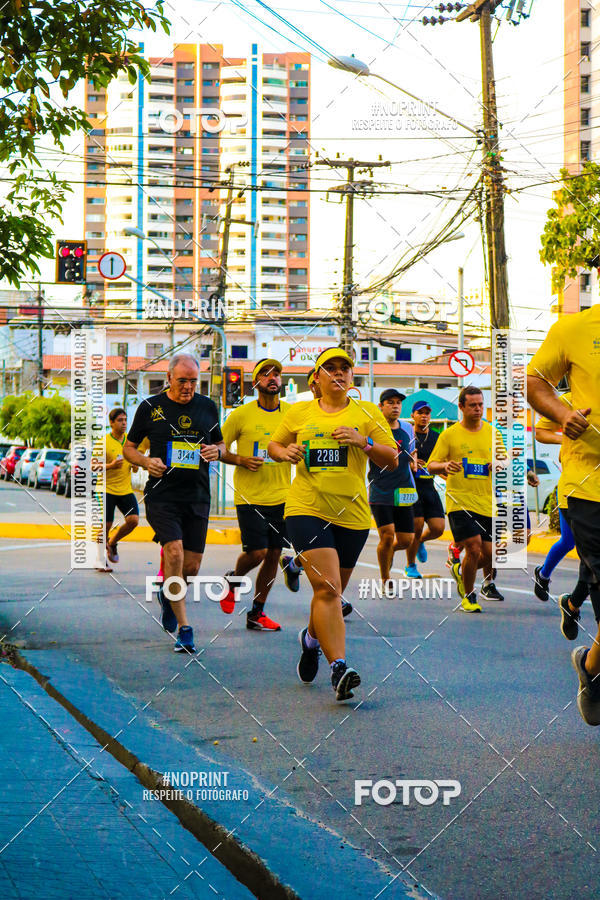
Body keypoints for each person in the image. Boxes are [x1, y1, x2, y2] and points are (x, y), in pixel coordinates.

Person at [268, 347, 397, 701]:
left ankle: (310, 641)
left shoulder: (367, 413)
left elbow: (392, 459)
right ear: (318, 377)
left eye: (345, 368)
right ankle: (339, 666)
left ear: (351, 376)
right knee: (327, 589)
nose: (338, 374)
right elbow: (274, 445)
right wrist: (285, 453)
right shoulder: (300, 412)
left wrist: (364, 442)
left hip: (352, 515)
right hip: (306, 508)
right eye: (331, 368)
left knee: (331, 591)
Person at [527, 308, 600, 726]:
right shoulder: (573, 329)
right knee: (569, 543)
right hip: (588, 485)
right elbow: (535, 381)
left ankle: (589, 665)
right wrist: (563, 416)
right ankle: (559, 589)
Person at [124, 353, 225, 654]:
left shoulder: (208, 407)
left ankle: (170, 595)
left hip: (197, 496)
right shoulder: (150, 408)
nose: (188, 387)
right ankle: (185, 628)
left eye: (194, 381)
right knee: (174, 551)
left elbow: (220, 442)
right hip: (162, 495)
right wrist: (145, 461)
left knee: (191, 567)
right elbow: (129, 448)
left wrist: (217, 451)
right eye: (182, 381)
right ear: (169, 378)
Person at [219, 358, 297, 631]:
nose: (272, 378)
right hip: (249, 496)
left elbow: (302, 444)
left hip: (283, 495)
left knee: (274, 554)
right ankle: (234, 578)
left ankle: (257, 612)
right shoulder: (240, 415)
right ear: (256, 383)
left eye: (276, 373)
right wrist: (241, 460)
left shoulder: (291, 414)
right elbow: (219, 448)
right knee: (257, 553)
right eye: (265, 374)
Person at [427, 385, 505, 612]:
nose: (478, 409)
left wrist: (498, 464)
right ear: (461, 407)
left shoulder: (492, 432)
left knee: (490, 554)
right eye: (473, 405)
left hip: (487, 501)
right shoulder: (449, 434)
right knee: (473, 547)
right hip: (459, 501)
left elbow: (505, 461)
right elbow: (431, 465)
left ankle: (462, 572)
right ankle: (469, 597)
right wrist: (444, 465)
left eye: (481, 405)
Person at [531, 392, 600, 634]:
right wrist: (568, 439)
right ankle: (544, 575)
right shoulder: (571, 398)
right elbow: (539, 432)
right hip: (577, 492)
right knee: (573, 544)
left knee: (592, 560)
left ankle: (571, 604)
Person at [368, 388, 417, 584]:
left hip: (404, 489)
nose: (395, 406)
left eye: (398, 402)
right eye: (390, 402)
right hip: (380, 489)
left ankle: (387, 553)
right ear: (381, 406)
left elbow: (411, 452)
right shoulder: (373, 429)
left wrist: (414, 461)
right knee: (387, 536)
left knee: (406, 540)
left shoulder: (407, 428)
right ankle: (385, 578)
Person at [97, 408, 147, 569]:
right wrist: (110, 466)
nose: (124, 423)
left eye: (125, 420)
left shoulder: (130, 443)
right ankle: (99, 559)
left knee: (133, 521)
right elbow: (93, 466)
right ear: (111, 423)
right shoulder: (103, 442)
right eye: (120, 420)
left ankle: (112, 542)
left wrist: (135, 466)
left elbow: (135, 468)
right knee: (106, 524)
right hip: (105, 489)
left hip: (125, 489)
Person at [405, 400, 446, 575]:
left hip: (429, 486)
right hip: (411, 487)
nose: (424, 416)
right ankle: (410, 565)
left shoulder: (437, 437)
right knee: (417, 525)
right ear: (413, 415)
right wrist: (410, 462)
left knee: (438, 528)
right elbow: (396, 459)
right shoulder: (407, 435)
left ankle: (420, 541)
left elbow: (442, 461)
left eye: (427, 413)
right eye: (420, 413)